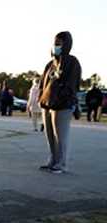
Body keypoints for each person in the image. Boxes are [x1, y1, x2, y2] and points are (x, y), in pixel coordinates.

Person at [39, 31, 82, 174]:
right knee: (49, 135)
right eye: (55, 42)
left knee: (60, 136)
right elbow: (42, 83)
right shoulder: (50, 64)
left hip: (62, 104)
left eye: (59, 43)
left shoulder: (72, 62)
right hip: (47, 103)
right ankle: (53, 159)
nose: (56, 45)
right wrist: (42, 99)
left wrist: (60, 96)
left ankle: (61, 163)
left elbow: (72, 85)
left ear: (66, 44)